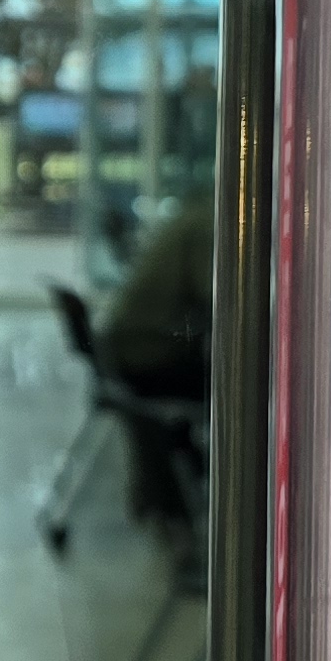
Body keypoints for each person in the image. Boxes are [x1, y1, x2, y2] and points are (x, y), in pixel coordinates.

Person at [97, 180, 215, 524]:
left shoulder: (189, 218)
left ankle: (182, 482)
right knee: (248, 390)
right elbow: (213, 295)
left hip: (125, 351)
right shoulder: (205, 224)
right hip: (147, 356)